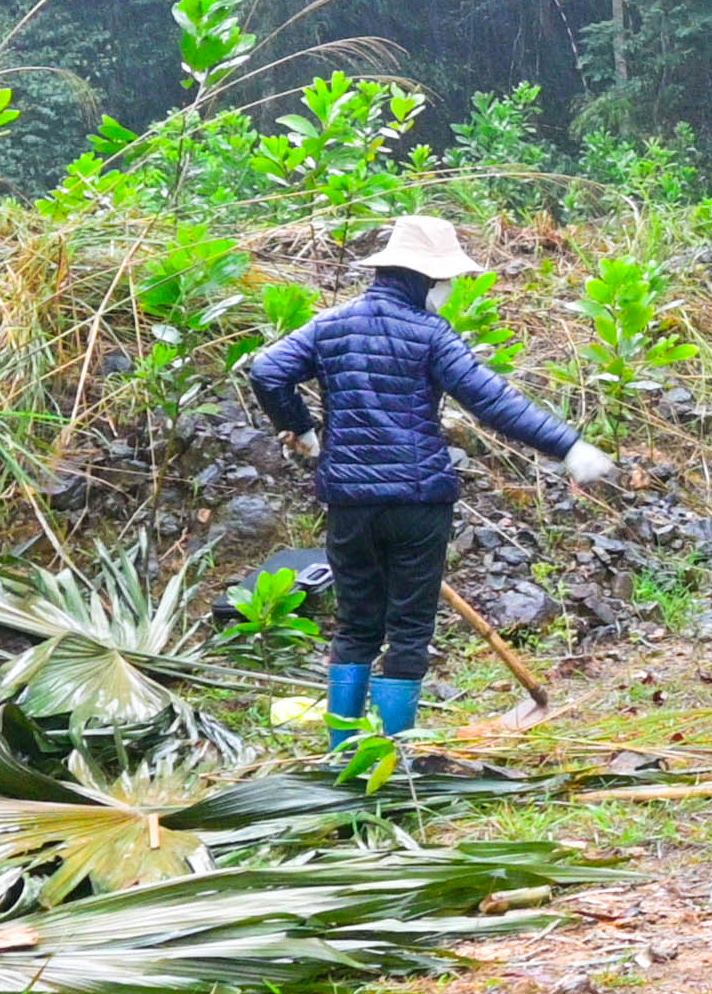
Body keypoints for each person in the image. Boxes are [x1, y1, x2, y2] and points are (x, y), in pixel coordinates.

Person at [248, 215, 614, 746]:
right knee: (410, 629)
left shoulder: (330, 326)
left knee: (355, 627)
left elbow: (267, 371)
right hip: (418, 501)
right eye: (447, 280)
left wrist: (301, 429)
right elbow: (492, 400)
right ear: (428, 278)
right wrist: (568, 446)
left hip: (350, 501)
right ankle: (395, 760)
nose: (450, 289)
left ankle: (341, 758)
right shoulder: (430, 334)